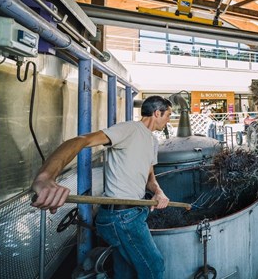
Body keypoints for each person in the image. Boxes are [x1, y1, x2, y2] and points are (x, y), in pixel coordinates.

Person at [31, 95, 173, 279]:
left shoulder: (152, 141)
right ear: (157, 113)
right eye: (168, 115)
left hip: (135, 212)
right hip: (121, 217)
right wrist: (46, 176)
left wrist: (158, 192)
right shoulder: (129, 129)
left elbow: (150, 178)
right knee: (155, 268)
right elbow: (80, 141)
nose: (169, 120)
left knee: (125, 272)